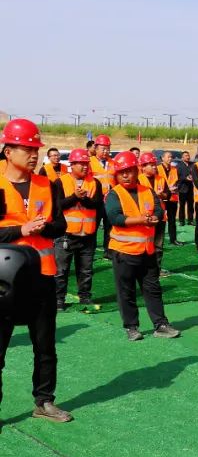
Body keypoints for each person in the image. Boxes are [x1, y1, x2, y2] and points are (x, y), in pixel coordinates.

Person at [0, 118, 73, 423]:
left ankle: (44, 402)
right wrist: (21, 228)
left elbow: (60, 224)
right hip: (4, 280)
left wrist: (45, 227)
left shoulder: (47, 183)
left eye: (36, 149)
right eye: (27, 148)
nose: (34, 154)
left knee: (45, 347)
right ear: (8, 151)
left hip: (42, 275)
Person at [105, 151, 180, 341]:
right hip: (124, 252)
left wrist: (154, 217)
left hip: (147, 251)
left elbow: (157, 208)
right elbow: (115, 217)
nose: (125, 175)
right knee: (126, 291)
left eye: (129, 171)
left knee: (152, 288)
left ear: (135, 171)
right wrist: (141, 220)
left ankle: (160, 324)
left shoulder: (147, 191)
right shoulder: (115, 194)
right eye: (121, 172)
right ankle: (131, 326)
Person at [54, 148, 103, 308]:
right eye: (80, 164)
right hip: (66, 235)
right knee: (61, 270)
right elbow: (57, 206)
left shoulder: (95, 182)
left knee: (86, 270)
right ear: (72, 165)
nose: (84, 167)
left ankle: (85, 297)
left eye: (86, 164)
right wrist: (75, 197)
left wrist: (83, 199)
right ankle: (59, 299)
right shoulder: (60, 182)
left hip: (88, 234)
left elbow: (97, 204)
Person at [138, 152, 169, 274]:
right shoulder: (138, 179)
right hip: (144, 217)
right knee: (144, 244)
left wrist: (163, 195)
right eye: (151, 165)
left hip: (160, 216)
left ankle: (157, 269)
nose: (155, 167)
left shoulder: (161, 179)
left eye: (155, 165)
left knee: (158, 245)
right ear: (143, 167)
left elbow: (168, 194)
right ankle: (143, 268)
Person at [90, 134, 115, 257]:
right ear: (96, 148)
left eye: (107, 148)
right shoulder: (89, 162)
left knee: (109, 226)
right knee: (93, 226)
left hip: (110, 200)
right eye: (103, 148)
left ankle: (108, 250)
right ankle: (91, 249)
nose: (106, 151)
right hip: (96, 200)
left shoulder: (113, 163)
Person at [159, 151, 181, 246]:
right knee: (160, 220)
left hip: (173, 198)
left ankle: (173, 239)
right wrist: (168, 189)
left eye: (171, 157)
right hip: (162, 197)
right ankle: (159, 240)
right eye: (168, 157)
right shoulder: (157, 169)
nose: (170, 158)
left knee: (172, 220)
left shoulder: (174, 169)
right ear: (162, 158)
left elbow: (178, 181)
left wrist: (176, 187)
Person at [176, 150, 194, 226]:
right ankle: (181, 220)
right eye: (186, 156)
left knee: (190, 205)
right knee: (182, 205)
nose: (188, 157)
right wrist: (185, 178)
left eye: (188, 155)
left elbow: (194, 174)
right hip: (182, 188)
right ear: (182, 157)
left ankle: (190, 220)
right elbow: (178, 177)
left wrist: (192, 177)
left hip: (190, 188)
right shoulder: (179, 166)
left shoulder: (192, 165)